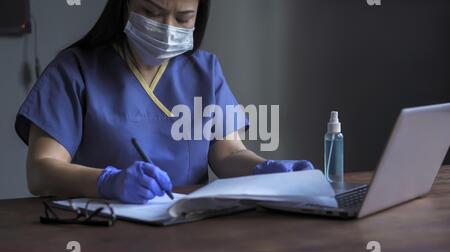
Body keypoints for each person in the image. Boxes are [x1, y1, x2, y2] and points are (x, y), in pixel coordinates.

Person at [15, 0, 314, 204]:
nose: (167, 27)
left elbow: (228, 154)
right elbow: (41, 171)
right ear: (124, 5)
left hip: (185, 228)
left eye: (183, 18)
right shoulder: (74, 70)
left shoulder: (204, 70)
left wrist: (266, 170)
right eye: (151, 11)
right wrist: (108, 182)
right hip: (102, 228)